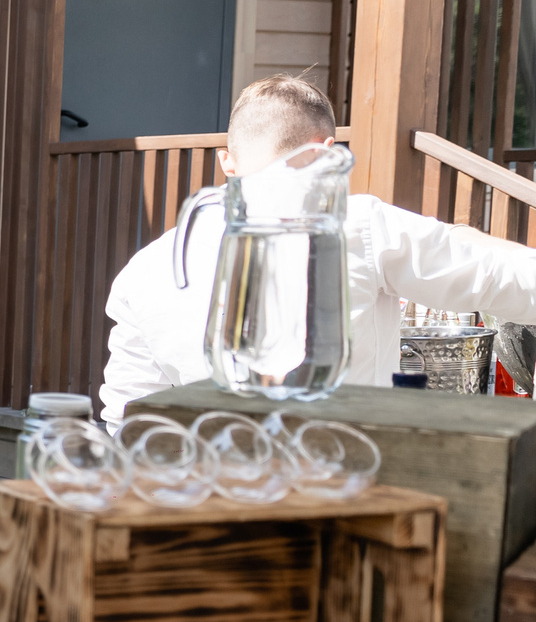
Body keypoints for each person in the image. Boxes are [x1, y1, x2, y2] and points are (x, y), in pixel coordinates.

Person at [101, 74, 536, 417]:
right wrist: (472, 241)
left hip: (211, 498)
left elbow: (128, 415)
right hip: (344, 489)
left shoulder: (144, 267)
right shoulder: (361, 222)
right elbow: (515, 285)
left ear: (226, 161)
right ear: (326, 152)